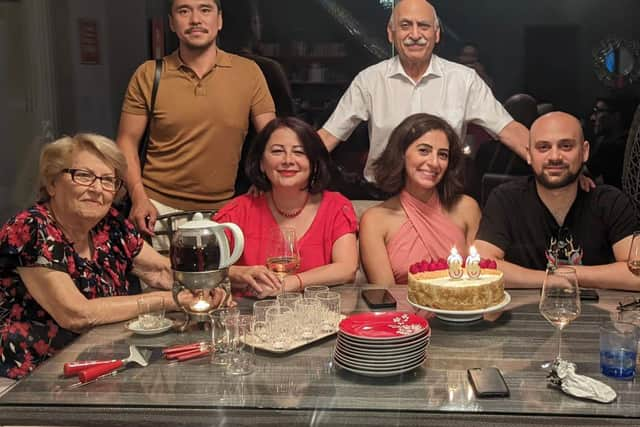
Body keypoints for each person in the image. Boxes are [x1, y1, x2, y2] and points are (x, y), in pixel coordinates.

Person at [0, 134, 227, 380]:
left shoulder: (109, 226)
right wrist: (171, 300)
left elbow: (161, 271)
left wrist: (213, 285)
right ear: (52, 183)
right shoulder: (30, 228)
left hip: (98, 363)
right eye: (84, 176)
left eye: (108, 180)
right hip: (28, 376)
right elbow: (77, 314)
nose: (97, 189)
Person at [318, 0, 529, 185]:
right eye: (405, 26)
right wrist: (291, 161)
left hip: (443, 198)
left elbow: (508, 129)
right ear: (391, 34)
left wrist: (551, 157)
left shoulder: (465, 80)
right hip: (384, 199)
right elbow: (329, 135)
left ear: (436, 34)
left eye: (424, 26)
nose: (415, 35)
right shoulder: (369, 80)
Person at [116, 0, 276, 240]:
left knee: (224, 278)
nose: (195, 20)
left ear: (219, 20)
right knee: (162, 278)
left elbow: (273, 138)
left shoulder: (248, 72)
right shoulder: (149, 74)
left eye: (205, 9)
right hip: (157, 210)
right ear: (172, 22)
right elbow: (126, 141)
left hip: (224, 212)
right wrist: (138, 197)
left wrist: (265, 181)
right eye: (184, 11)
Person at [474, 112, 640, 291]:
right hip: (520, 315)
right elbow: (483, 267)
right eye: (543, 147)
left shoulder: (610, 202)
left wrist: (566, 273)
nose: (554, 157)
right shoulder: (505, 199)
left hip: (601, 315)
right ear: (529, 154)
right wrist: (548, 279)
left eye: (566, 146)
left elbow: (636, 274)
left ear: (584, 152)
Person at [214, 117, 358, 298]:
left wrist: (291, 283)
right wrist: (238, 273)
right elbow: (202, 269)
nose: (288, 160)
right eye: (277, 151)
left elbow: (347, 268)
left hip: (319, 317)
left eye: (299, 152)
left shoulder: (336, 207)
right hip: (252, 317)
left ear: (314, 163)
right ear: (261, 163)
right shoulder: (237, 212)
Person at [359, 113, 481, 285]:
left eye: (443, 155)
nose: (434, 162)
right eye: (424, 151)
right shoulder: (374, 220)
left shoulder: (466, 208)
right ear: (401, 154)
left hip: (463, 309)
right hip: (403, 311)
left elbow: (481, 280)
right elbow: (385, 297)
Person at [587, 96, 637, 189]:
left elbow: (583, 173)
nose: (593, 117)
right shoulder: (629, 142)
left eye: (599, 111)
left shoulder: (612, 146)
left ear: (616, 116)